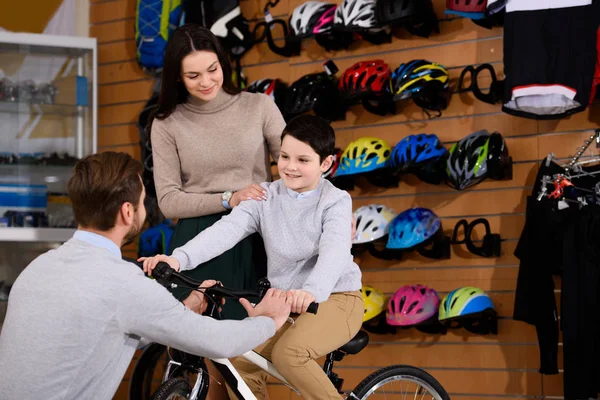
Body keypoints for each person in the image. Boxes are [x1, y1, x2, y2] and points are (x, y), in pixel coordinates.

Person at [0, 152, 291, 400]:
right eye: (142, 201)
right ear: (128, 212)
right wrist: (269, 319)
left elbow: (102, 328)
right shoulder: (122, 281)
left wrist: (183, 309)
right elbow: (216, 342)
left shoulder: (39, 267)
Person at [141, 115, 364, 400]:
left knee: (290, 354)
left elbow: (334, 252)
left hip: (335, 298)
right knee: (241, 363)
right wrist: (178, 259)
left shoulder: (335, 201)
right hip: (285, 304)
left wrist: (312, 292)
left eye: (303, 160)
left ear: (326, 164)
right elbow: (224, 232)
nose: (290, 167)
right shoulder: (266, 196)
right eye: (284, 156)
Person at [150, 24, 286, 319]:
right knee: (194, 346)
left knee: (258, 342)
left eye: (212, 69)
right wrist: (228, 198)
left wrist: (329, 207)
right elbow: (169, 201)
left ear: (222, 62)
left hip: (257, 232)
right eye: (193, 76)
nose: (206, 81)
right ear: (176, 76)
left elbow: (296, 168)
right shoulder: (166, 123)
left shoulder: (259, 106)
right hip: (197, 238)